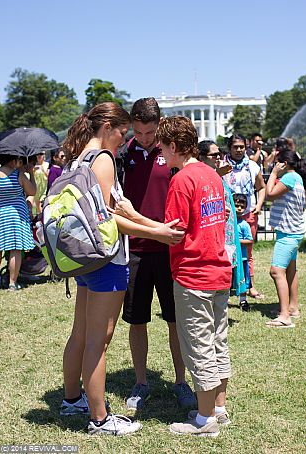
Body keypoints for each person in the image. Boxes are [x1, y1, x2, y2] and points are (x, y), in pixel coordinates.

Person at [60, 102, 184, 436]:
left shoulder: (76, 157)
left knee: (82, 334)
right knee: (97, 342)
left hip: (84, 257)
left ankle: (72, 400)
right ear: (109, 128)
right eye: (123, 131)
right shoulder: (102, 159)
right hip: (106, 258)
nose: (126, 138)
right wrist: (156, 231)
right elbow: (106, 217)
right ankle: (100, 418)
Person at [116, 98, 196, 410]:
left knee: (176, 319)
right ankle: (140, 381)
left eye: (150, 133)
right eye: (138, 132)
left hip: (169, 250)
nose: (145, 139)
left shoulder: (173, 154)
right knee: (137, 319)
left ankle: (180, 380)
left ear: (159, 127)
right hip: (134, 249)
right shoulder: (123, 154)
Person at [155, 116, 232, 437]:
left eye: (162, 146)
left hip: (193, 273)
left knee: (198, 345)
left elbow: (175, 232)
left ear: (174, 145)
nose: (160, 153)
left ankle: (204, 420)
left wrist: (133, 221)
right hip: (218, 269)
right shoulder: (211, 175)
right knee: (217, 341)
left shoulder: (182, 180)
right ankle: (218, 408)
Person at [265, 150, 306, 328]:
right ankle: (293, 307)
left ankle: (285, 316)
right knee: (290, 269)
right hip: (293, 232)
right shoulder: (297, 178)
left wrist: (274, 173)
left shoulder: (289, 178)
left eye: (277, 162)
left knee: (276, 271)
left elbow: (269, 194)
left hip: (288, 234)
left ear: (283, 163)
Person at [198, 140, 246, 309]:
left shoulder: (217, 174)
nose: (218, 158)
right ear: (202, 157)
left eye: (220, 154)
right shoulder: (202, 177)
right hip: (215, 231)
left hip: (228, 230)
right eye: (214, 155)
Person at [223, 134, 266, 299]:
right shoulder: (223, 166)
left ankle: (250, 286)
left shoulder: (253, 166)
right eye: (235, 147)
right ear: (229, 148)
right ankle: (228, 285)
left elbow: (261, 187)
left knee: (247, 252)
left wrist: (259, 205)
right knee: (226, 250)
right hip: (227, 214)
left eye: (241, 147)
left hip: (248, 213)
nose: (239, 150)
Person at [0, 154, 36, 290]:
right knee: (15, 250)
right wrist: (31, 173)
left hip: (0, 216)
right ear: (13, 160)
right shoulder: (17, 175)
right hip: (16, 217)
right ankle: (12, 283)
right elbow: (32, 191)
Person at [233, 194, 253, 311]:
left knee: (243, 280)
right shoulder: (228, 222)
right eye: (236, 205)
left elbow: (249, 241)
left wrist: (236, 241)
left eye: (242, 206)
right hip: (230, 258)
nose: (239, 208)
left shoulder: (244, 225)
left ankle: (243, 300)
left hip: (242, 258)